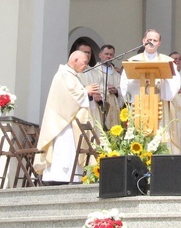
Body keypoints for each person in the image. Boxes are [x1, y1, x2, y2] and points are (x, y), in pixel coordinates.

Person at [34, 50, 99, 184]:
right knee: (64, 150)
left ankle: (71, 177)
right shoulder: (63, 75)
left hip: (70, 122)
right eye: (85, 62)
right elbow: (68, 99)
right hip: (63, 124)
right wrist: (85, 91)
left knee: (71, 151)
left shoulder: (72, 76)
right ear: (75, 60)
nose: (86, 65)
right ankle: (60, 178)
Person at [80, 44, 122, 131]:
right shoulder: (95, 70)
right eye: (106, 54)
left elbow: (123, 90)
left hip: (113, 106)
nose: (109, 56)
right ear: (100, 55)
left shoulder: (117, 75)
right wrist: (103, 92)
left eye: (111, 54)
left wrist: (117, 91)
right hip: (96, 105)